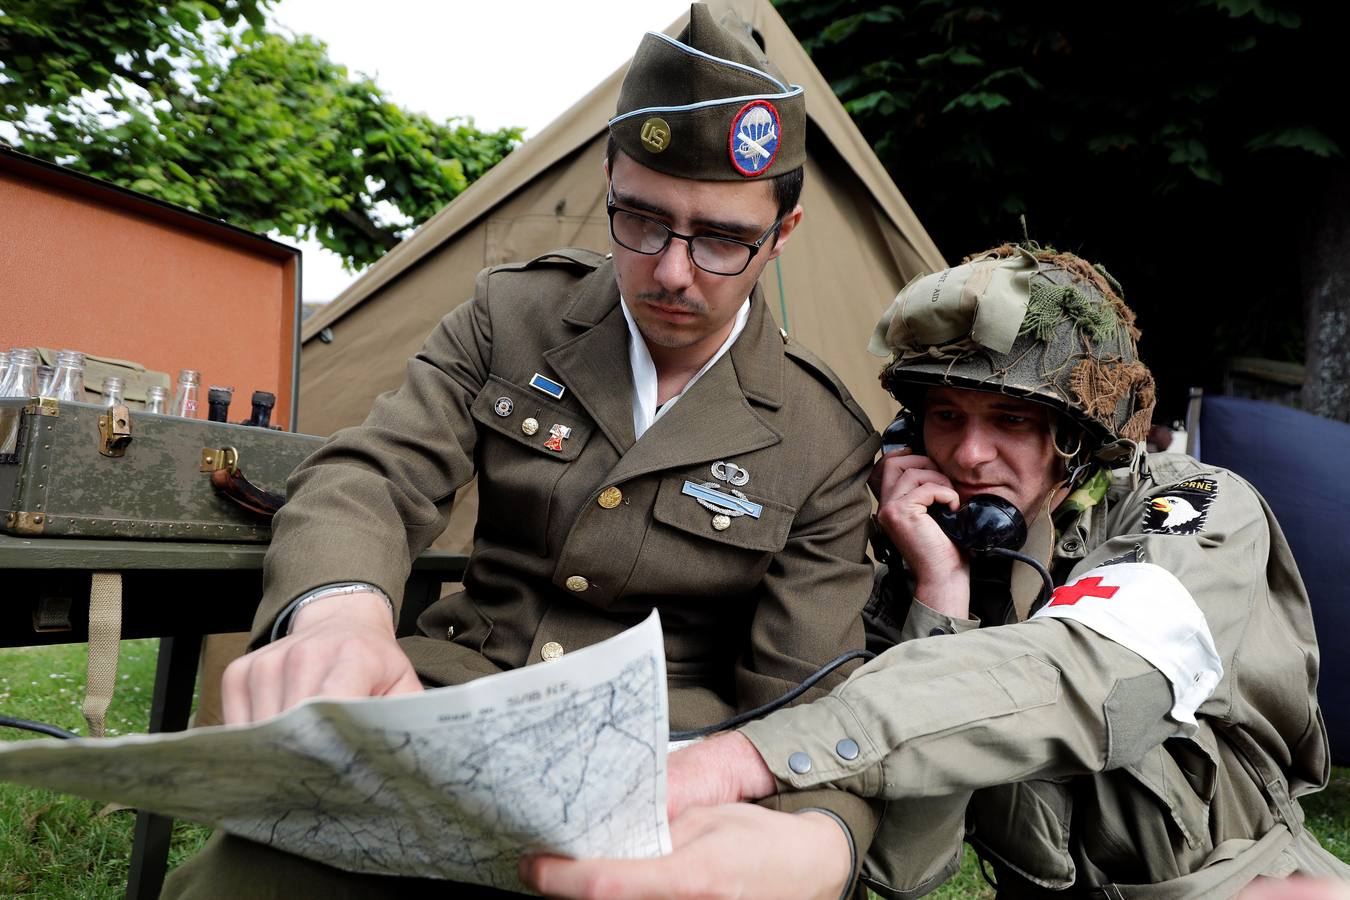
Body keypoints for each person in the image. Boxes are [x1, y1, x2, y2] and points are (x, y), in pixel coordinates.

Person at [162, 4, 882, 897]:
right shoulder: (511, 317)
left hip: (665, 772)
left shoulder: (822, 435)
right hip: (451, 712)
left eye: (723, 240)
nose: (671, 271)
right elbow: (372, 475)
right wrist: (340, 612)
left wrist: (812, 837)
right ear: (609, 180)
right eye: (641, 220)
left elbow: (807, 701)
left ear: (783, 234)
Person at [522, 245, 1350, 898]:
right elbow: (910, 868)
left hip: (1247, 885)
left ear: (1078, 440)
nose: (969, 453)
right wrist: (939, 599)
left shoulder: (1192, 508)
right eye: (945, 416)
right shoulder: (918, 566)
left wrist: (749, 757)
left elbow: (1102, 682)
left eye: (1011, 420)